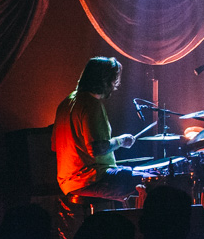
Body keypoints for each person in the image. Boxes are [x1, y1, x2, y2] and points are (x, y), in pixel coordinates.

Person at [52, 56, 142, 203]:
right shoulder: (92, 105)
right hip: (91, 179)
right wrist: (120, 141)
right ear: (104, 81)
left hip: (67, 183)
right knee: (145, 181)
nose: (114, 86)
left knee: (130, 174)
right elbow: (96, 148)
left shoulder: (65, 103)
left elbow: (55, 147)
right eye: (113, 81)